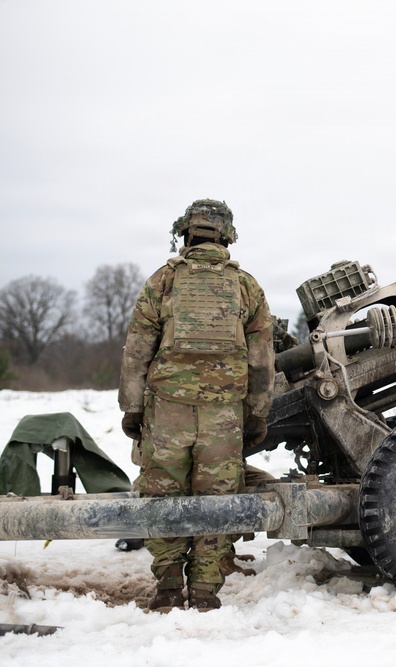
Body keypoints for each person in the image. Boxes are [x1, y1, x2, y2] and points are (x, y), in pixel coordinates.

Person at [119, 199, 274, 612]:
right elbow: (262, 360)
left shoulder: (162, 281)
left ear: (186, 232)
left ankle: (168, 588)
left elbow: (137, 351)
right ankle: (205, 593)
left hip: (167, 411)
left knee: (162, 497)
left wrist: (133, 408)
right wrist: (257, 412)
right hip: (224, 415)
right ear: (226, 235)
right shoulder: (247, 287)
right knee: (216, 501)